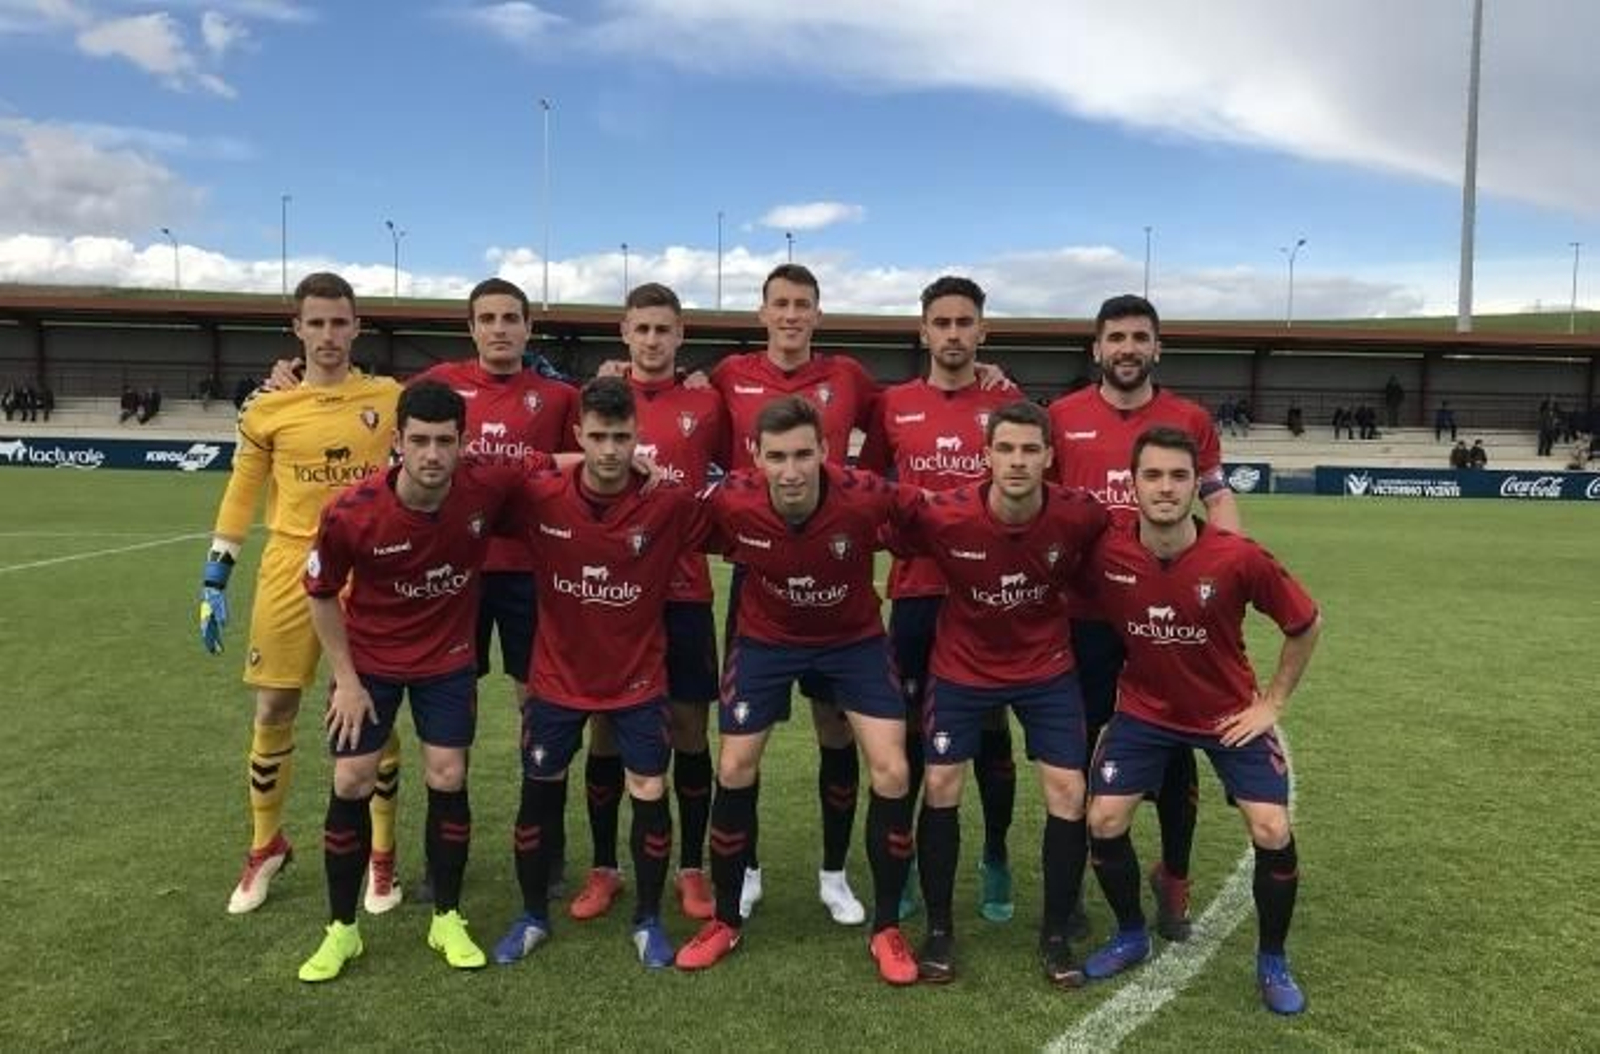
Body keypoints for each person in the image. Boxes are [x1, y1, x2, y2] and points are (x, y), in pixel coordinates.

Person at [296, 381, 553, 982]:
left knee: (448, 773)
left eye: (445, 441)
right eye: (420, 441)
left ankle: (447, 916)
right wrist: (346, 680)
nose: (433, 454)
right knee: (353, 777)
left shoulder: (483, 484)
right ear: (397, 443)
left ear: (463, 443)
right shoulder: (352, 511)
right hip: (370, 664)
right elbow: (321, 594)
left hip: (446, 659)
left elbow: (558, 465)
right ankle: (342, 931)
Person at [674, 396, 922, 985]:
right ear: (755, 456)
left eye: (803, 455)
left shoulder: (865, 494)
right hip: (766, 639)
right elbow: (667, 517)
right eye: (777, 457)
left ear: (825, 453)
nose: (790, 471)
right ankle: (726, 920)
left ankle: (887, 928)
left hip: (853, 640)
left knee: (891, 770)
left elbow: (940, 517)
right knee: (735, 764)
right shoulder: (731, 499)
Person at [1075, 426, 1321, 1016]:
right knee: (1104, 817)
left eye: (1178, 476)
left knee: (1270, 829)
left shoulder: (1237, 556)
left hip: (1225, 714)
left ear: (1196, 485)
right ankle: (1132, 932)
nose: (1165, 488)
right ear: (1131, 485)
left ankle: (1272, 960)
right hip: (1143, 711)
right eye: (1152, 476)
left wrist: (1273, 703)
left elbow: (1306, 622)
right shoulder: (1106, 552)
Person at [198, 272, 408, 916]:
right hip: (292, 564)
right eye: (315, 323)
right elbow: (242, 489)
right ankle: (266, 845)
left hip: (369, 570)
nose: (327, 335)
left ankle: (382, 857)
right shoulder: (267, 408)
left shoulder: (390, 397)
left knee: (373, 712)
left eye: (339, 322)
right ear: (296, 329)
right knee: (273, 710)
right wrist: (216, 572)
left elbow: (460, 408)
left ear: (357, 327)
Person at [493, 378, 711, 971]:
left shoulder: (669, 503)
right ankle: (533, 915)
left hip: (638, 679)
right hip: (557, 678)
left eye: (621, 437)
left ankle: (647, 920)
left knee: (648, 789)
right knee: (539, 790)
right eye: (598, 437)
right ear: (578, 435)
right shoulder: (541, 496)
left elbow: (738, 519)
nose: (610, 450)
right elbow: (481, 472)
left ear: (639, 436)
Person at [889, 400, 1109, 987]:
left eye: (1030, 450)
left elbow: (1126, 552)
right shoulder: (945, 515)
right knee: (939, 782)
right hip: (962, 665)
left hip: (1046, 665)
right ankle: (938, 930)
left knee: (1067, 788)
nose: (1017, 461)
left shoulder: (1080, 515)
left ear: (1049, 457)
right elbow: (878, 524)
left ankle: (1056, 935)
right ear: (986, 456)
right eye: (1005, 449)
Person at [1047, 293, 1241, 944]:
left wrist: (1224, 568)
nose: (1126, 348)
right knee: (1074, 752)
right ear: (1095, 349)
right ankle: (1069, 881)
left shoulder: (1188, 416)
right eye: (1115, 338)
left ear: (1157, 347)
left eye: (1139, 337)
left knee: (1176, 749)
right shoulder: (1062, 416)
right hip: (1084, 616)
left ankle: (1174, 878)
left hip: (1165, 617)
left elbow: (1216, 496)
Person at [856, 275, 1026, 922]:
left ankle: (995, 853)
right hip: (915, 595)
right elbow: (867, 491)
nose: (953, 334)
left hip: (989, 598)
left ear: (982, 331)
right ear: (922, 331)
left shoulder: (1007, 404)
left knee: (989, 731)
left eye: (964, 323)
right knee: (909, 736)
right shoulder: (894, 403)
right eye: (942, 322)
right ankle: (901, 869)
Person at [578, 283, 731, 923]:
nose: (651, 340)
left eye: (662, 330)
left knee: (691, 729)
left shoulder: (708, 403)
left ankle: (692, 867)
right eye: (641, 329)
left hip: (685, 590)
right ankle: (604, 867)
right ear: (624, 332)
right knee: (606, 727)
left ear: (680, 335)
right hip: (611, 596)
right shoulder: (595, 400)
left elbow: (736, 474)